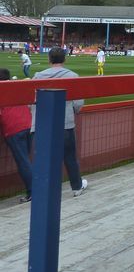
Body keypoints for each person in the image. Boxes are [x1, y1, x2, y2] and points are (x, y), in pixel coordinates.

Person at [31, 47, 88, 197]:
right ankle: (76, 187)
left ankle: (41, 190)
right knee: (69, 157)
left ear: (49, 59)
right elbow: (78, 103)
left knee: (42, 158)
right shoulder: (72, 76)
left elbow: (32, 101)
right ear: (64, 59)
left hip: (42, 124)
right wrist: (72, 111)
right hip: (65, 123)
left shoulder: (38, 76)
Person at [0, 68, 33, 202]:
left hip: (13, 129)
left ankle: (33, 192)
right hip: (27, 124)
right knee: (26, 160)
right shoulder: (16, 86)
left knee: (23, 162)